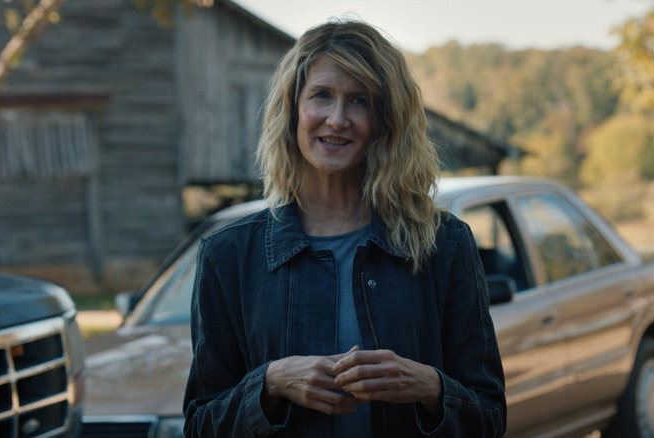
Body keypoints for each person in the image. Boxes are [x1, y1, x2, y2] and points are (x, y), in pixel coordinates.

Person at [183, 19, 506, 438]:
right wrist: (271, 382)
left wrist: (429, 387)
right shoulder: (227, 256)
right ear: (294, 109)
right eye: (322, 95)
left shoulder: (444, 244)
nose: (337, 119)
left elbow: (490, 418)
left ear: (386, 120)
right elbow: (200, 426)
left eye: (359, 101)